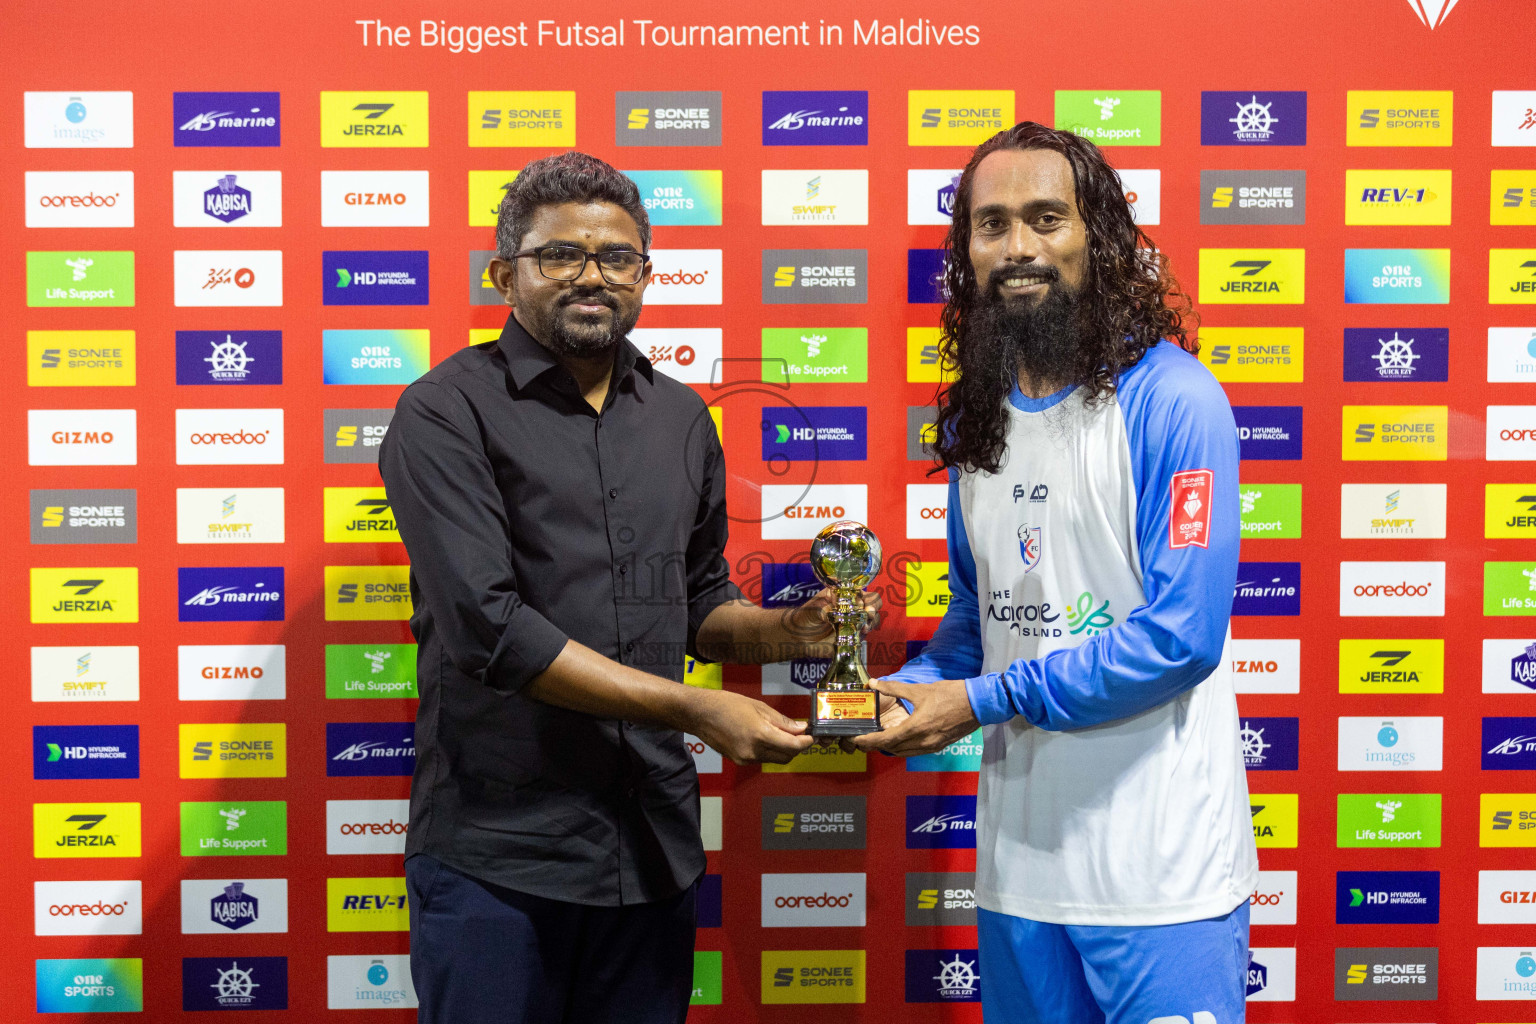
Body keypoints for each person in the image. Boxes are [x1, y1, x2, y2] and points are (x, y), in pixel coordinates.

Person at [380, 151, 866, 1024]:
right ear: (504, 273)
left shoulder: (681, 415)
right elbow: (489, 631)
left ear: (645, 273)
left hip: (650, 850)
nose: (591, 276)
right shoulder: (444, 411)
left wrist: (793, 632)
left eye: (616, 257)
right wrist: (694, 710)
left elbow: (700, 606)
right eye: (560, 255)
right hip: (500, 857)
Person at [855, 122, 1257, 1023]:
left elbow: (1178, 640)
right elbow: (978, 624)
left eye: (1047, 218)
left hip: (1162, 877)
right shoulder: (976, 422)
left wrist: (980, 702)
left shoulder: (1171, 400)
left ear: (1099, 237)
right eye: (991, 224)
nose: (1019, 247)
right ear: (966, 251)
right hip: (1022, 874)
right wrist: (899, 693)